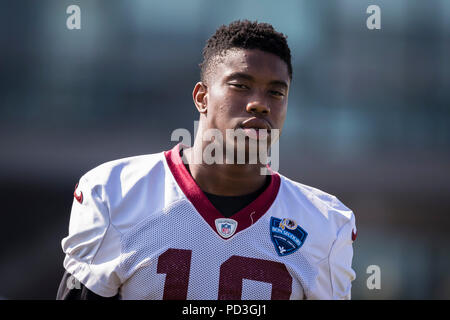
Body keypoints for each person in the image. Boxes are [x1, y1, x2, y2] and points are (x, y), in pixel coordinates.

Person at [57, 20, 356, 300]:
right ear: (202, 97)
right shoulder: (114, 193)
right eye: (241, 85)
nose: (260, 104)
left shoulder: (325, 223)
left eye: (276, 92)